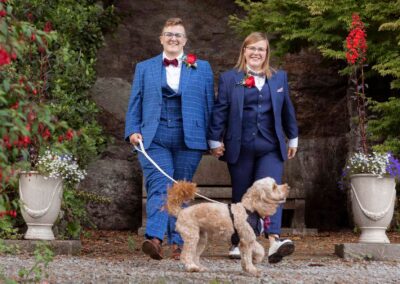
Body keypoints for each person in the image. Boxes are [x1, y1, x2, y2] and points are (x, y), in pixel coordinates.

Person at [125, 17, 214, 260]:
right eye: (169, 34)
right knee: (161, 185)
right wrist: (132, 130)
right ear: (161, 39)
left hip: (190, 136)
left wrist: (214, 139)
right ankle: (154, 238)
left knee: (182, 190)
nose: (173, 38)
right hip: (154, 136)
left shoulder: (202, 68)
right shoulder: (144, 67)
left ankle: (179, 242)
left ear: (184, 40)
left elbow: (209, 105)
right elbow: (136, 102)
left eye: (178, 35)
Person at [207, 32, 298, 263]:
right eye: (252, 48)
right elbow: (221, 110)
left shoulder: (278, 78)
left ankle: (275, 240)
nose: (256, 53)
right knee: (242, 195)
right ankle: (241, 242)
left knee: (271, 192)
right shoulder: (231, 78)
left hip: (270, 146)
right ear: (244, 51)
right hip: (240, 146)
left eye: (261, 49)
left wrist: (293, 137)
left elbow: (287, 109)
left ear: (266, 53)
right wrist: (214, 140)